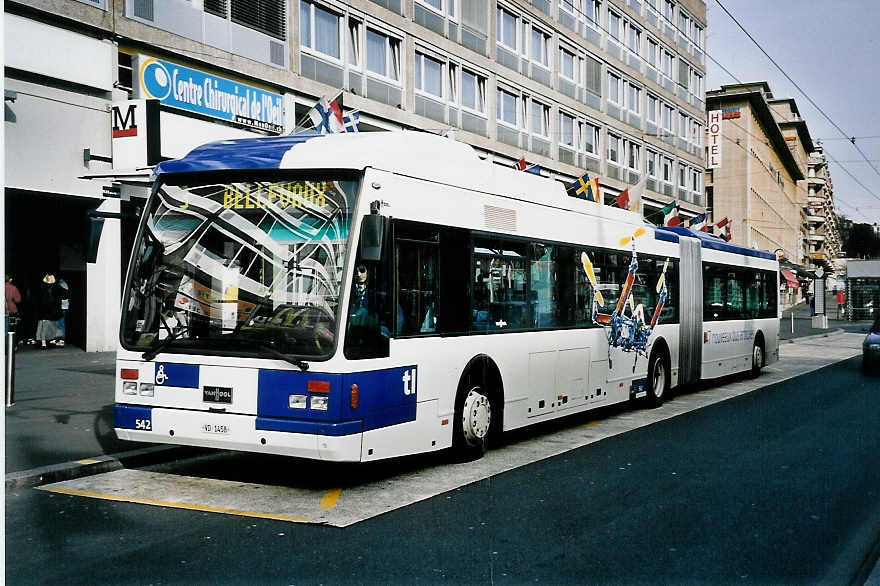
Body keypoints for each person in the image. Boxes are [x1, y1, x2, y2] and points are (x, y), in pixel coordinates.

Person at [35, 273, 67, 349]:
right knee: (55, 326)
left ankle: (43, 343)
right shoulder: (57, 287)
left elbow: (36, 299)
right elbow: (66, 294)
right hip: (53, 311)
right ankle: (57, 340)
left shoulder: (41, 287)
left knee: (43, 326)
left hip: (42, 311)